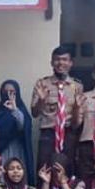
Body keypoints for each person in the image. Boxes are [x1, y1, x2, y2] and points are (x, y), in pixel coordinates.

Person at [31, 45, 83, 179]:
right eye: (57, 59)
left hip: (68, 134)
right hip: (48, 134)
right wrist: (41, 100)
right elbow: (34, 113)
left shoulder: (77, 86)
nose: (60, 63)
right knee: (44, 170)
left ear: (71, 63)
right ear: (51, 62)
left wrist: (77, 108)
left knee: (67, 171)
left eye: (64, 59)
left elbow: (76, 123)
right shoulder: (42, 84)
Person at [0, 80, 34, 184]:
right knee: (4, 174)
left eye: (12, 92)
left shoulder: (21, 109)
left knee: (17, 172)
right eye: (6, 91)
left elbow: (23, 126)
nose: (9, 95)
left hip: (17, 148)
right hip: (2, 149)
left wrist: (14, 109)